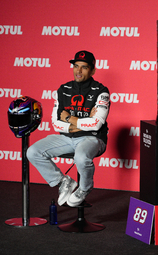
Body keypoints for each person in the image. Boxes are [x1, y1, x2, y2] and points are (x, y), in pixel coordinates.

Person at [27, 50, 110, 207]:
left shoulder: (101, 91)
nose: (78, 71)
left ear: (93, 70)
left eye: (84, 67)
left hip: (93, 138)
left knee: (81, 157)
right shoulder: (63, 89)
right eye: (76, 66)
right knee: (33, 152)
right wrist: (80, 123)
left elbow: (96, 124)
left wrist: (69, 119)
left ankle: (84, 188)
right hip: (66, 137)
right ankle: (63, 181)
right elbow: (55, 122)